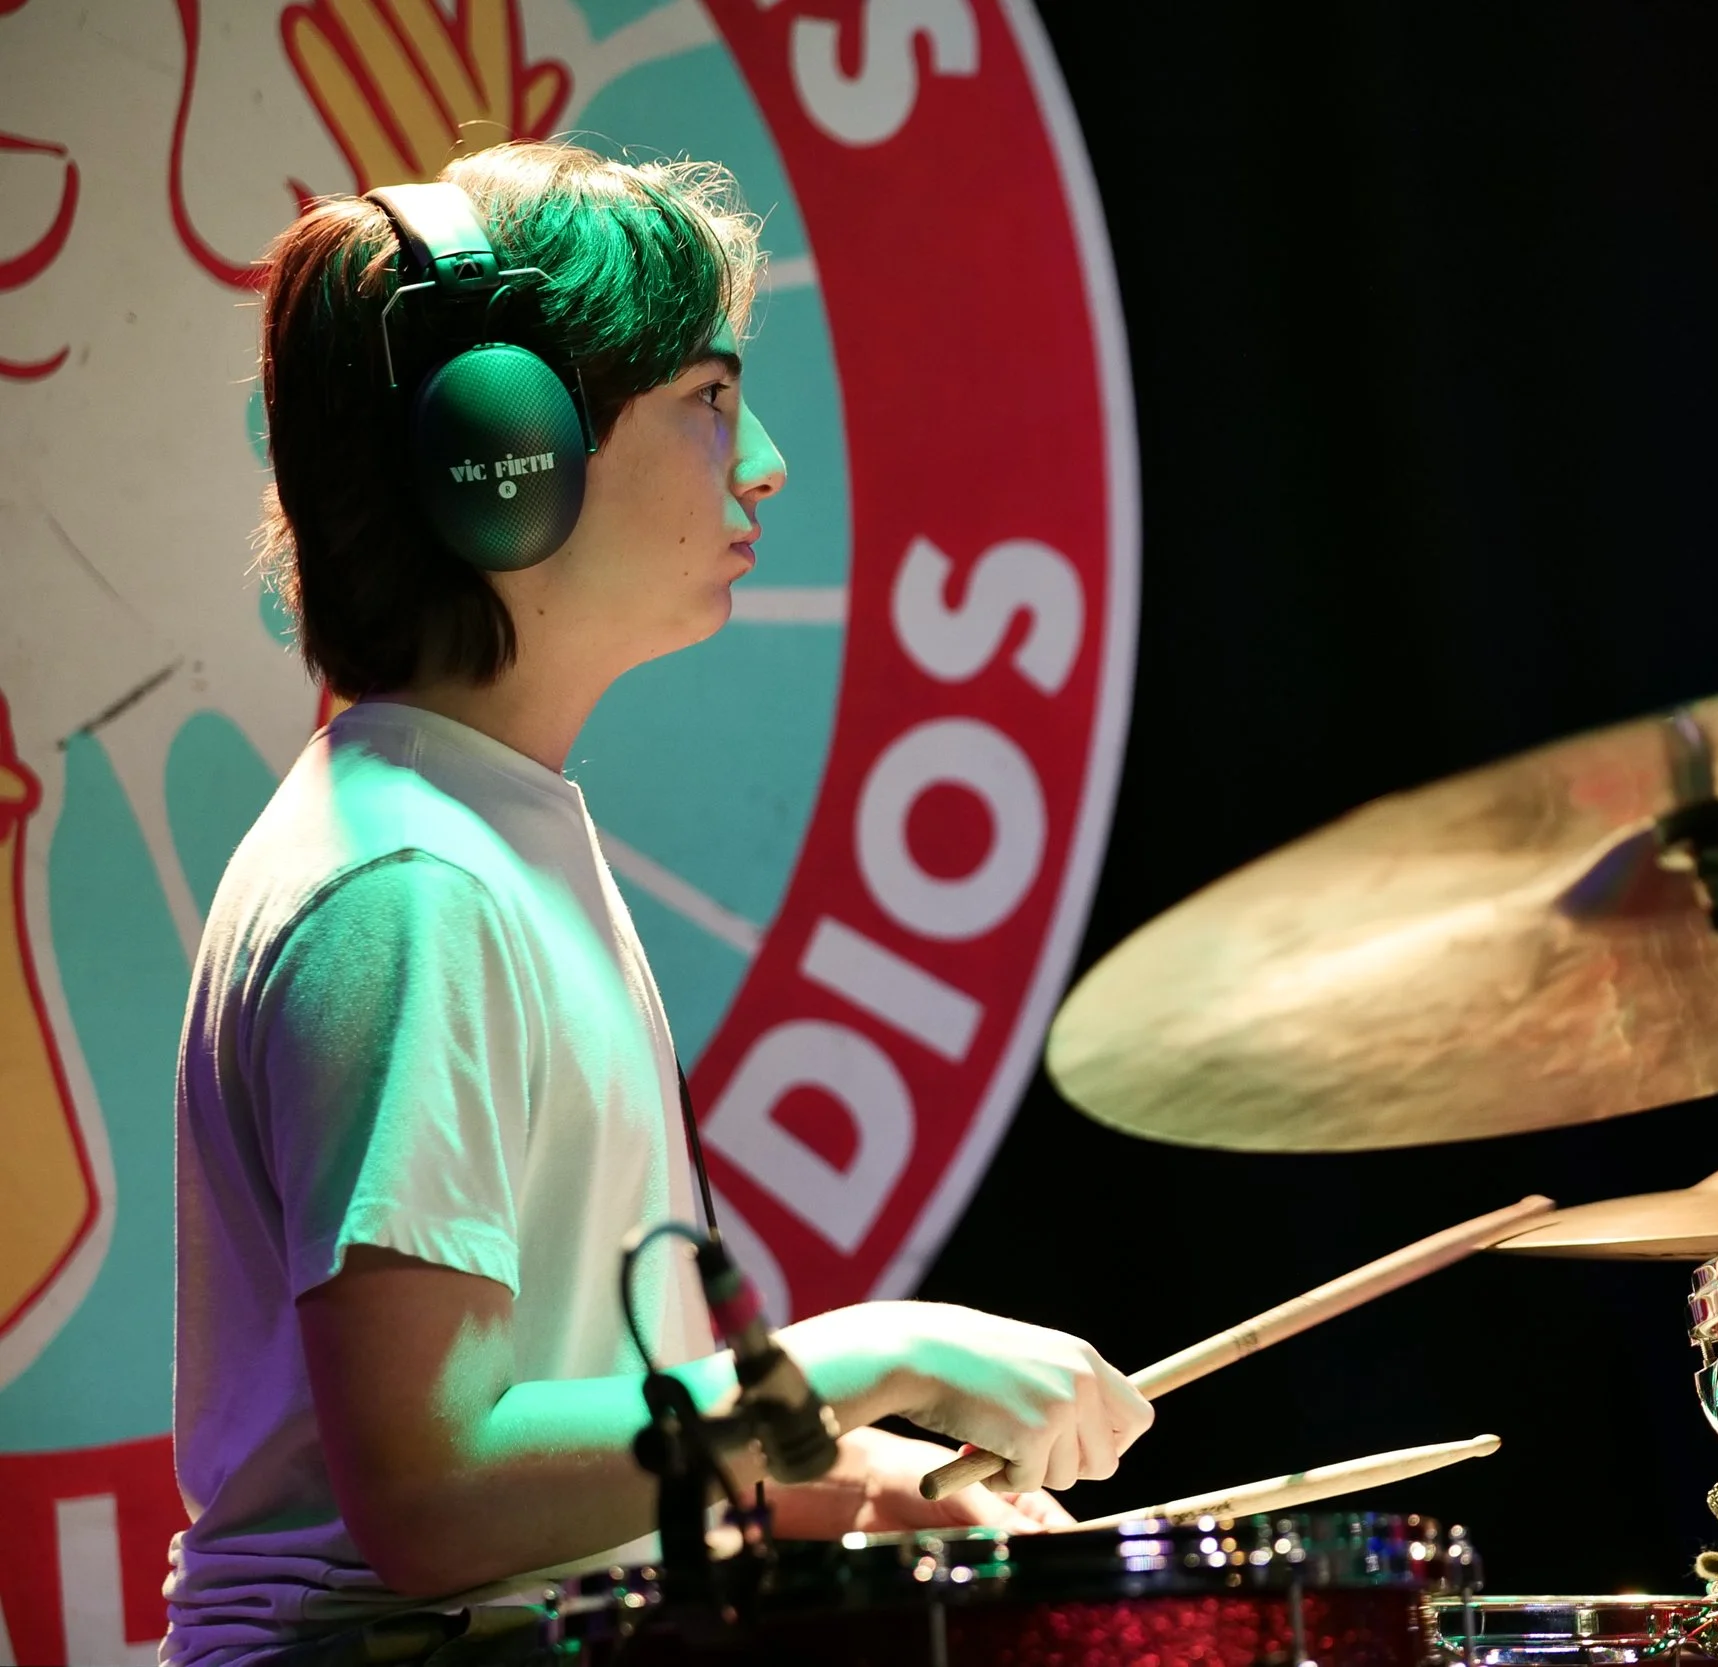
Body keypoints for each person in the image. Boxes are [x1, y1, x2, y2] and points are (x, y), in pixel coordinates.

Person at [163, 142, 1151, 1667]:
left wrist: (863, 1490)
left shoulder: (478, 828)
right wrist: (854, 1361)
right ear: (509, 454)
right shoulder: (406, 884)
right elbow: (430, 1489)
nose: (763, 461)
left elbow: (553, 1453)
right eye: (707, 398)